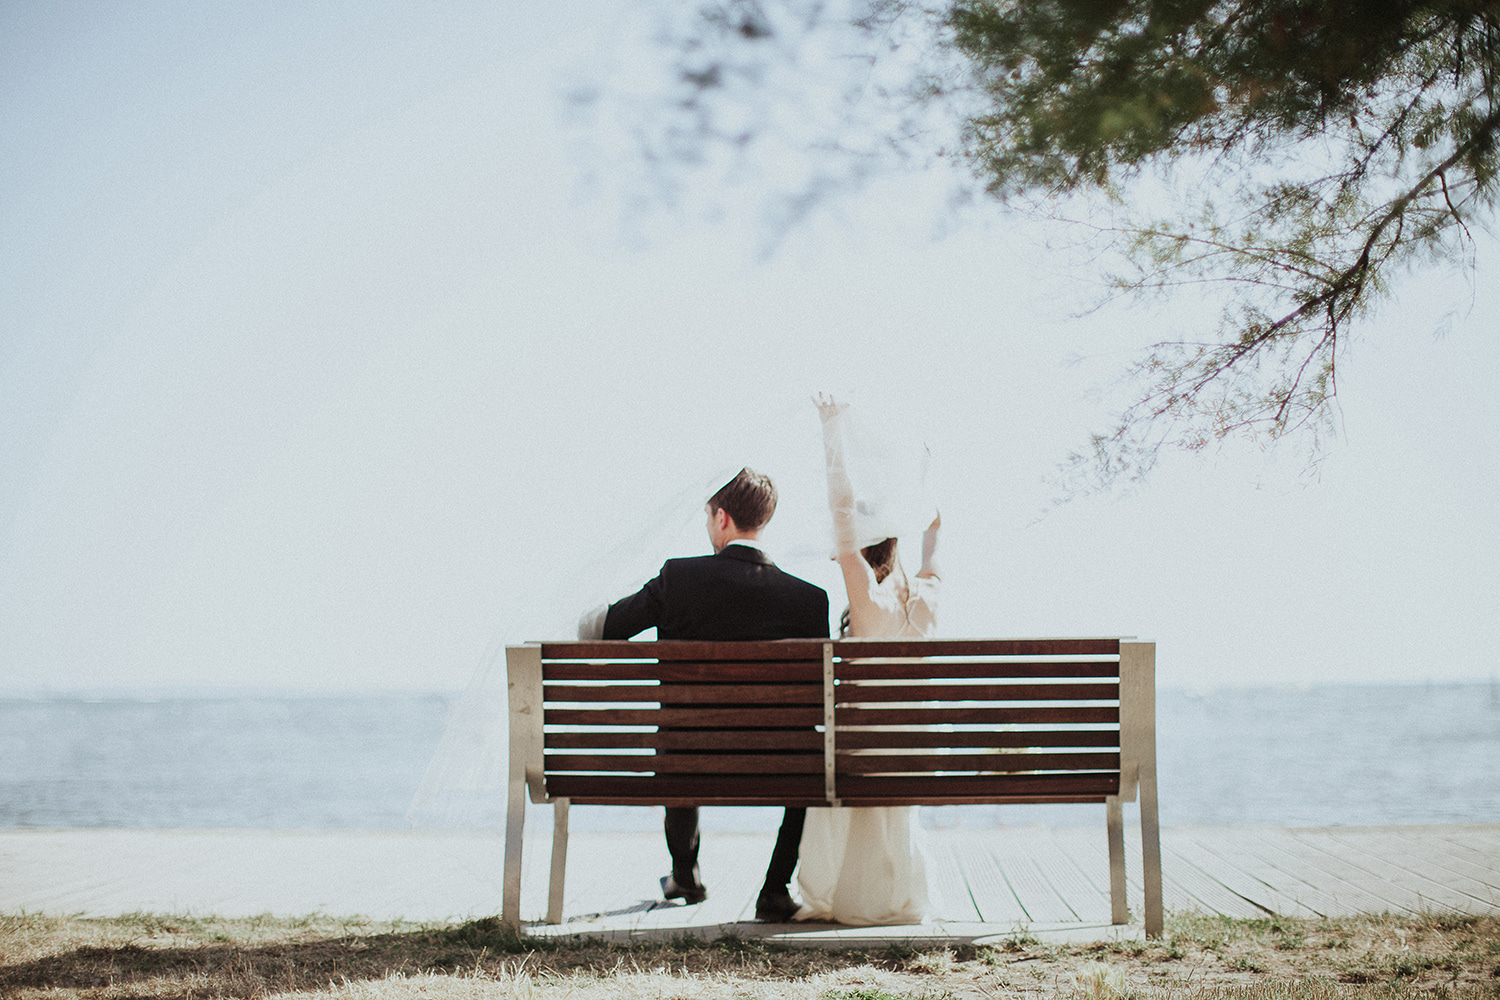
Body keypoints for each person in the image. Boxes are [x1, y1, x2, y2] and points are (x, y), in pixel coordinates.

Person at [579, 467, 830, 922]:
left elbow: (607, 629)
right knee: (811, 752)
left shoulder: (678, 579)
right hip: (785, 760)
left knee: (680, 733)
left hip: (687, 755)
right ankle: (775, 888)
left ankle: (686, 874)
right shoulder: (810, 599)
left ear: (722, 519)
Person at [796, 394, 941, 925]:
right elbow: (935, 536)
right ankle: (894, 889)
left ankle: (853, 892)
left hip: (862, 748)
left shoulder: (867, 598)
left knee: (843, 750)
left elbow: (840, 510)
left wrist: (831, 429)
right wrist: (926, 475)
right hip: (914, 746)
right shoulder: (929, 596)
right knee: (887, 763)